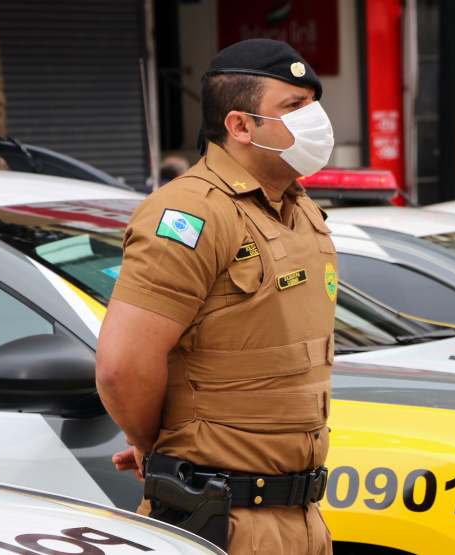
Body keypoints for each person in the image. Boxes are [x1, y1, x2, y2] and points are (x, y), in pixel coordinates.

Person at [96, 38, 337, 554]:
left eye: (314, 104)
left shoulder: (299, 207)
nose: (314, 119)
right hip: (223, 520)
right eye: (294, 106)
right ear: (240, 125)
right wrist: (154, 444)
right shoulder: (191, 212)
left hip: (302, 516)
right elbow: (122, 366)